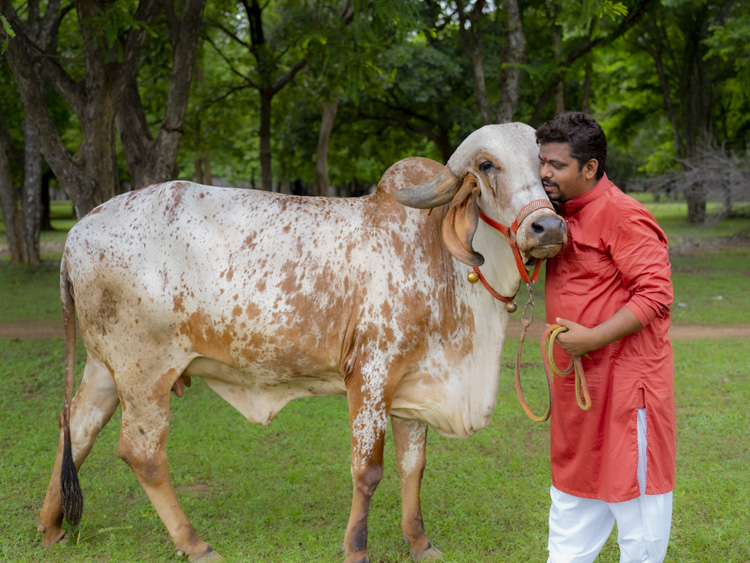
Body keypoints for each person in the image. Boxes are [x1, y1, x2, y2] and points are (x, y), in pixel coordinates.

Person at [536, 111, 676, 563]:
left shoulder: (623, 215)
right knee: (572, 502)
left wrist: (592, 338)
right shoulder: (553, 218)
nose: (544, 173)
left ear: (590, 167)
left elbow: (655, 295)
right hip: (579, 393)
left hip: (625, 391)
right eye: (542, 162)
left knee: (638, 523)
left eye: (557, 165)